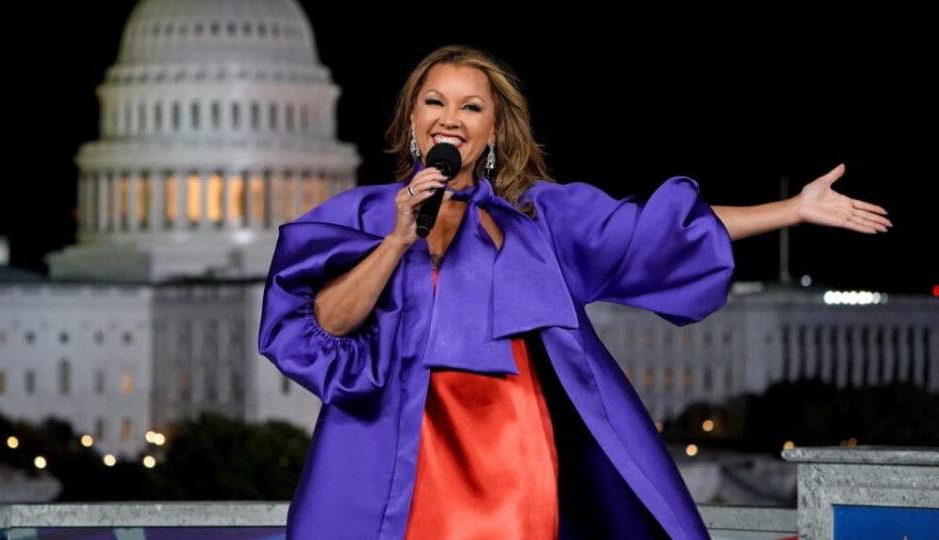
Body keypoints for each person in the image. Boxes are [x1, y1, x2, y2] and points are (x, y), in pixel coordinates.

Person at [257, 45, 892, 540]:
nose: (451, 117)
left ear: (494, 130)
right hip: (385, 447)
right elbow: (322, 327)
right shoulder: (363, 216)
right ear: (412, 121)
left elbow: (659, 236)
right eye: (434, 102)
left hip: (509, 448)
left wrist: (792, 210)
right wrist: (396, 240)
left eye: (471, 106)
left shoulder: (539, 221)